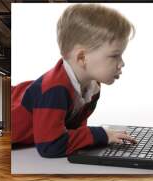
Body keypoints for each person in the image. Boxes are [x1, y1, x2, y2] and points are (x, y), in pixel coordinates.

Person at [11, 4, 137, 158]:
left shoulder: (93, 86)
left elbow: (74, 130)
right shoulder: (54, 91)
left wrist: (100, 137)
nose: (121, 63)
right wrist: (102, 135)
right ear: (82, 58)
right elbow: (50, 146)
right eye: (114, 55)